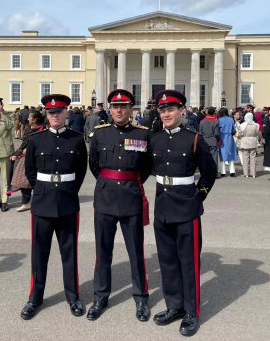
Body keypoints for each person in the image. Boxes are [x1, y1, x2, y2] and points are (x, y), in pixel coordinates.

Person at [150, 90, 217, 337]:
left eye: (171, 109)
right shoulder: (154, 139)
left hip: (187, 209)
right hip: (163, 208)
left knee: (188, 263)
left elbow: (209, 172)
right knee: (167, 262)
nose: (166, 114)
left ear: (181, 111)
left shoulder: (194, 139)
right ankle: (174, 306)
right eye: (163, 110)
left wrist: (198, 197)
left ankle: (191, 311)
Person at [20, 94, 87, 320]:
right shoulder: (36, 139)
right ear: (46, 115)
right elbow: (30, 171)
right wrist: (42, 190)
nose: (55, 115)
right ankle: (35, 298)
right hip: (42, 203)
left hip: (67, 202)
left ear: (67, 113)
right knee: (39, 253)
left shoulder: (77, 139)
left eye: (59, 111)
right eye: (51, 112)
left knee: (69, 253)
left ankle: (73, 296)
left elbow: (80, 171)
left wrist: (67, 190)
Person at [88, 89, 152, 322]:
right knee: (103, 251)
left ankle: (141, 297)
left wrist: (126, 182)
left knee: (135, 251)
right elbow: (94, 165)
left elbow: (145, 168)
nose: (118, 110)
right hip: (105, 198)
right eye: (115, 106)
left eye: (124, 106)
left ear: (131, 109)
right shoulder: (100, 134)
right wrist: (110, 182)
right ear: (110, 109)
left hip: (131, 197)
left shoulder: (143, 135)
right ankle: (100, 296)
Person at [11, 110, 45, 212]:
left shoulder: (43, 130)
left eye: (30, 117)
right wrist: (15, 154)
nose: (28, 119)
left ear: (34, 120)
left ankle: (39, 201)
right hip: (27, 159)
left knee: (38, 180)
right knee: (24, 181)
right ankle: (26, 203)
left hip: (38, 159)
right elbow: (23, 146)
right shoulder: (28, 130)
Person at [0, 98, 15, 212]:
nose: (1, 106)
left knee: (6, 179)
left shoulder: (8, 115)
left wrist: (2, 116)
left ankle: (4, 202)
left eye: (1, 104)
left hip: (5, 152)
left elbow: (10, 126)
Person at [199, 107, 220, 174]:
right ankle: (214, 173)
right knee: (214, 158)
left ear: (207, 112)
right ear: (214, 113)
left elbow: (200, 133)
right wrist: (218, 140)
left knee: (205, 158)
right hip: (213, 140)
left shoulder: (202, 122)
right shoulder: (215, 122)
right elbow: (216, 133)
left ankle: (205, 172)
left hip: (204, 141)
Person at [240, 113, 260, 178]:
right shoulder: (256, 125)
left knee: (245, 158)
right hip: (253, 142)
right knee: (253, 157)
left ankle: (246, 173)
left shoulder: (243, 125)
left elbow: (240, 134)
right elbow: (257, 133)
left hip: (245, 141)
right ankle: (253, 173)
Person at [218, 107, 237, 177]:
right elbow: (233, 129)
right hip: (229, 137)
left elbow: (218, 130)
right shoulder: (231, 119)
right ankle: (232, 171)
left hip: (222, 137)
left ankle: (223, 172)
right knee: (230, 153)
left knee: (222, 154)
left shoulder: (219, 120)